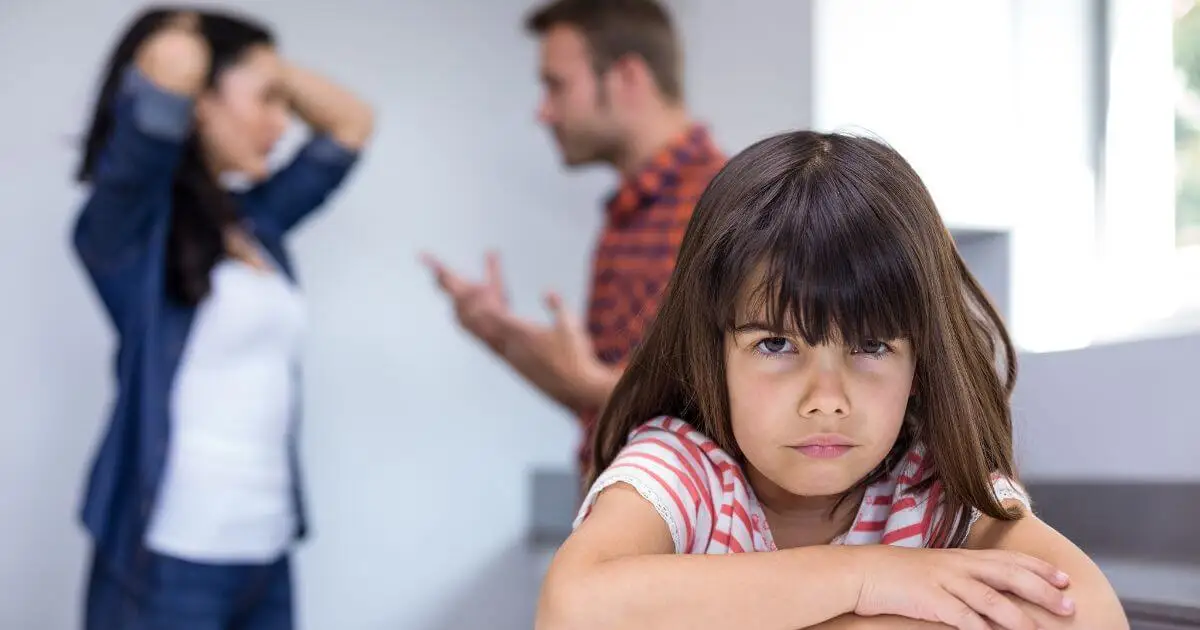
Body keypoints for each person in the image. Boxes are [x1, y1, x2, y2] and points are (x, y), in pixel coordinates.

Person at [535, 131, 1129, 630]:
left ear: (919, 363)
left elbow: (1091, 614)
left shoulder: (933, 487)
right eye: (775, 344)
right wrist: (868, 577)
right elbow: (573, 607)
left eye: (871, 346)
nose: (826, 401)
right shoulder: (682, 470)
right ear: (711, 356)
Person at [72, 8, 372, 629]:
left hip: (265, 550)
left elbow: (352, 123)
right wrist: (190, 25)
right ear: (200, 105)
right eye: (265, 99)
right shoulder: (128, 231)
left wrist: (267, 69)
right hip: (168, 560)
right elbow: (171, 70)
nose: (281, 121)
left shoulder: (255, 222)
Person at [422, 0, 725, 478]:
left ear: (626, 77)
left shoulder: (725, 207)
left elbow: (721, 407)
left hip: (670, 539)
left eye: (556, 86)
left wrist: (591, 381)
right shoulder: (630, 210)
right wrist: (502, 337)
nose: (543, 112)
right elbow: (607, 399)